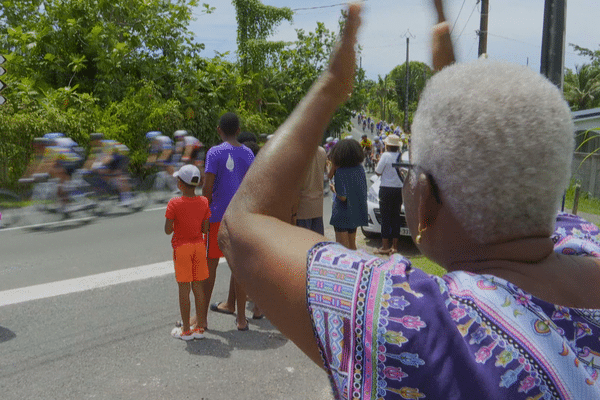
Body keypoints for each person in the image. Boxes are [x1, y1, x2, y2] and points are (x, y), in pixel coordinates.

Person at [217, 2, 600, 399]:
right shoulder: (585, 241)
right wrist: (453, 90)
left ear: (428, 201)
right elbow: (506, 167)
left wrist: (332, 83)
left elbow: (242, 223)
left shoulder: (416, 322)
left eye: (410, 170)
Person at [202, 112, 255, 331]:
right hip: (241, 217)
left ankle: (202, 319)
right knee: (238, 268)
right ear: (239, 130)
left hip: (217, 217)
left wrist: (203, 212)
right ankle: (241, 319)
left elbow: (207, 189)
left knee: (210, 266)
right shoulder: (249, 153)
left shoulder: (214, 152)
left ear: (219, 130)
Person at [165, 164, 210, 340]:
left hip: (182, 248)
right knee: (198, 288)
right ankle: (199, 328)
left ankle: (185, 330)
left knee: (184, 289)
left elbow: (168, 230)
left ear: (180, 184)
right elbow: (205, 229)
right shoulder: (204, 202)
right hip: (199, 247)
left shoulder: (174, 203)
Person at [327, 138, 368, 250]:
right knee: (352, 246)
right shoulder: (360, 169)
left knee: (342, 249)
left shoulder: (340, 172)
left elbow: (342, 197)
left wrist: (334, 189)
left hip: (342, 214)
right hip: (354, 212)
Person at [374, 134, 404, 255]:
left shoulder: (385, 155)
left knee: (385, 217)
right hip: (399, 189)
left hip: (386, 189)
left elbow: (377, 172)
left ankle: (385, 246)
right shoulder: (401, 156)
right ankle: (395, 247)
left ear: (387, 145)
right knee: (396, 217)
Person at [293, 146, 328, 235]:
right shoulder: (322, 151)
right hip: (317, 207)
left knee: (303, 244)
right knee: (316, 245)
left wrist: (293, 214)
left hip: (302, 209)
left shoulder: (297, 153)